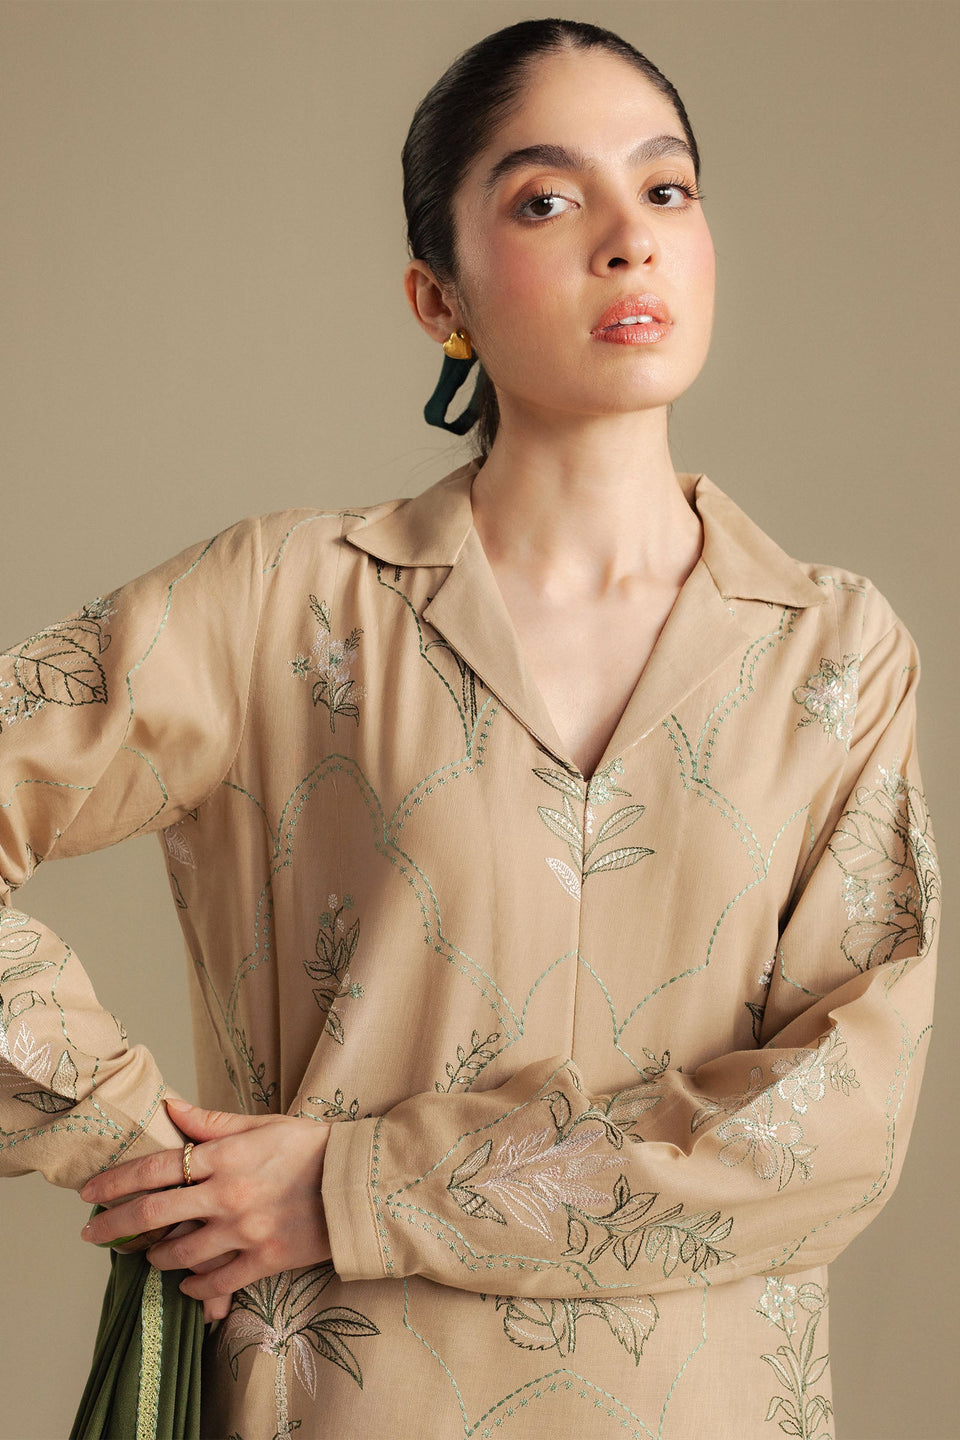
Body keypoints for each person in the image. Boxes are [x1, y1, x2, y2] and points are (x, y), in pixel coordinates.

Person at [0, 17, 938, 1439]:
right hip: (338, 1400)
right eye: (548, 201)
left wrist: (354, 1188)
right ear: (439, 295)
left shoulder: (835, 652)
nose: (628, 240)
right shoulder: (283, 605)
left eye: (666, 189)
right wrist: (144, 1149)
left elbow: (837, 1128)